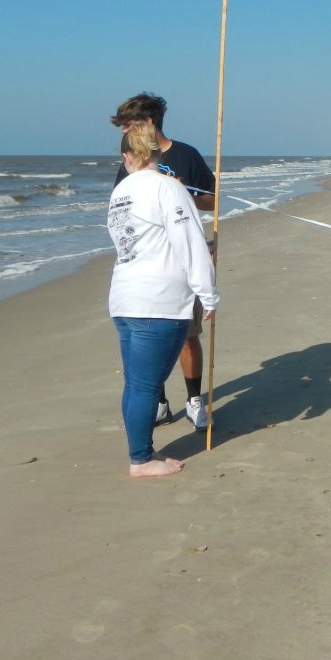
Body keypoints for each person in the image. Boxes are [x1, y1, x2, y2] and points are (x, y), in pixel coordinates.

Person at [107, 121, 219, 477]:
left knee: (135, 382)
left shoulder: (119, 192)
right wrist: (209, 294)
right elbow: (191, 243)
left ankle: (140, 451)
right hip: (159, 301)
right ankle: (141, 459)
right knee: (144, 385)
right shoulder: (168, 189)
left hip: (124, 298)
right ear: (156, 151)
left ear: (127, 156)